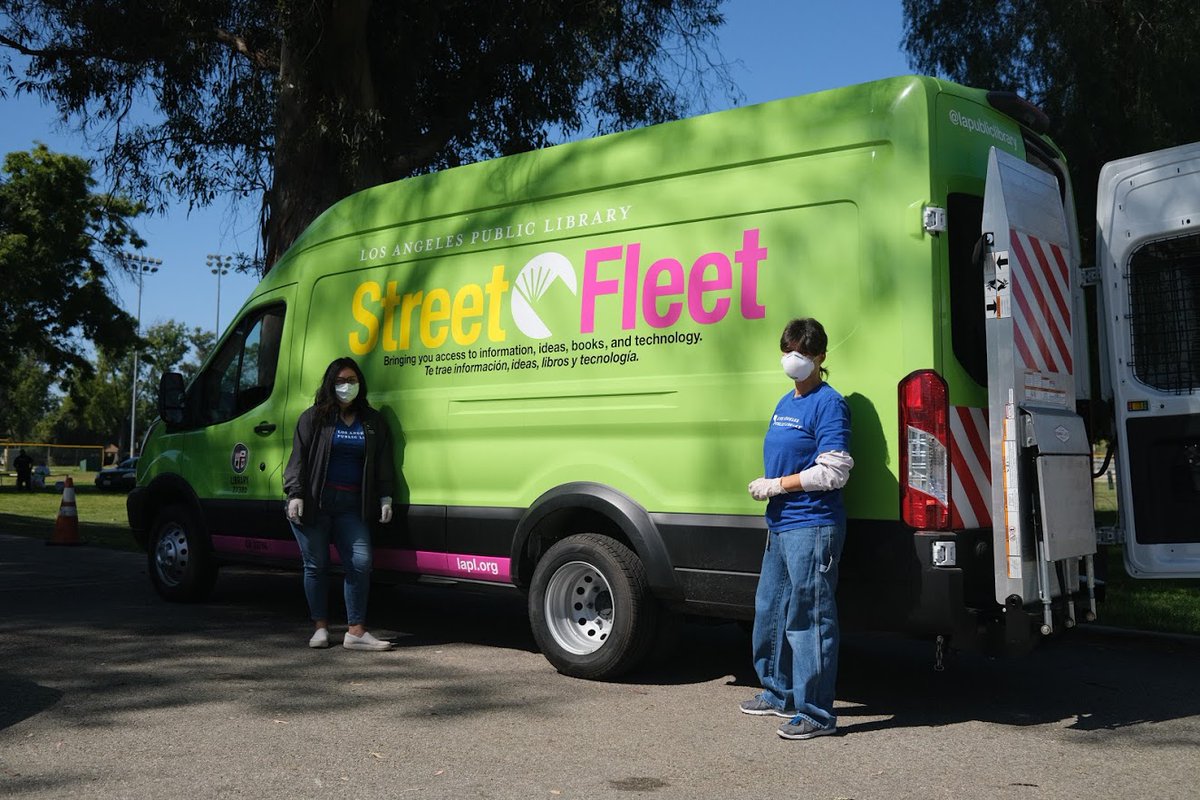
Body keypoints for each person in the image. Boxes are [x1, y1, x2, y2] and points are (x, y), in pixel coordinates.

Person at [741, 318, 853, 740]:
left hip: (812, 525)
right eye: (788, 349)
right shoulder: (785, 402)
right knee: (771, 610)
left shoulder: (829, 403)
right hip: (782, 524)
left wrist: (778, 485)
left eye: (803, 353)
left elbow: (835, 469)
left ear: (821, 358)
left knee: (810, 619)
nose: (793, 359)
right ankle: (777, 692)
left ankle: (816, 713)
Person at [283, 357, 397, 651]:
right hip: (315, 503)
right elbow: (298, 458)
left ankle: (356, 632)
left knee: (360, 563)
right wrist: (295, 493)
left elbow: (384, 461)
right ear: (330, 385)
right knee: (315, 566)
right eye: (341, 381)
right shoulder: (313, 418)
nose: (347, 387)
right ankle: (320, 628)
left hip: (352, 505)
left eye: (352, 381)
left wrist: (385, 496)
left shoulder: (372, 421)